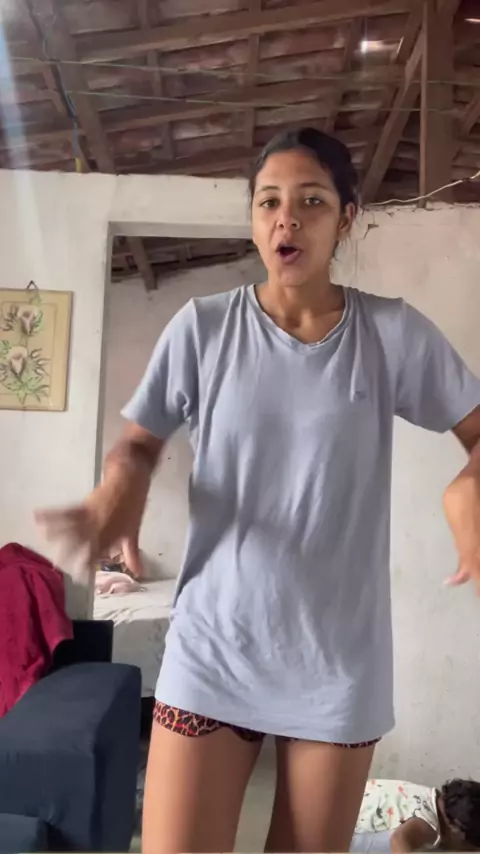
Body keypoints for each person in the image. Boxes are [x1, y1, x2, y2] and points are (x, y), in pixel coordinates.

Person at [36, 127, 480, 854]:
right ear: (252, 219)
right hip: (214, 648)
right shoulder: (203, 328)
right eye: (269, 202)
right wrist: (122, 481)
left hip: (337, 664)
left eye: (311, 201)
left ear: (347, 217)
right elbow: (139, 442)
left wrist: (471, 482)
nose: (287, 219)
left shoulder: (391, 333)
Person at [351, 777, 480, 852]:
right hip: (347, 832)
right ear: (457, 830)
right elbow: (398, 840)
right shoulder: (429, 828)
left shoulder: (428, 795)